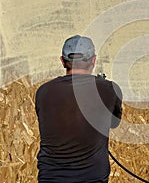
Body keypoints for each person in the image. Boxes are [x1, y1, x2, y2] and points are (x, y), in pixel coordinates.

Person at [35, 35, 122, 183]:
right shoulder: (109, 89)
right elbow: (114, 123)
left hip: (51, 178)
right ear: (93, 60)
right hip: (92, 179)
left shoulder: (43, 91)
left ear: (63, 61)